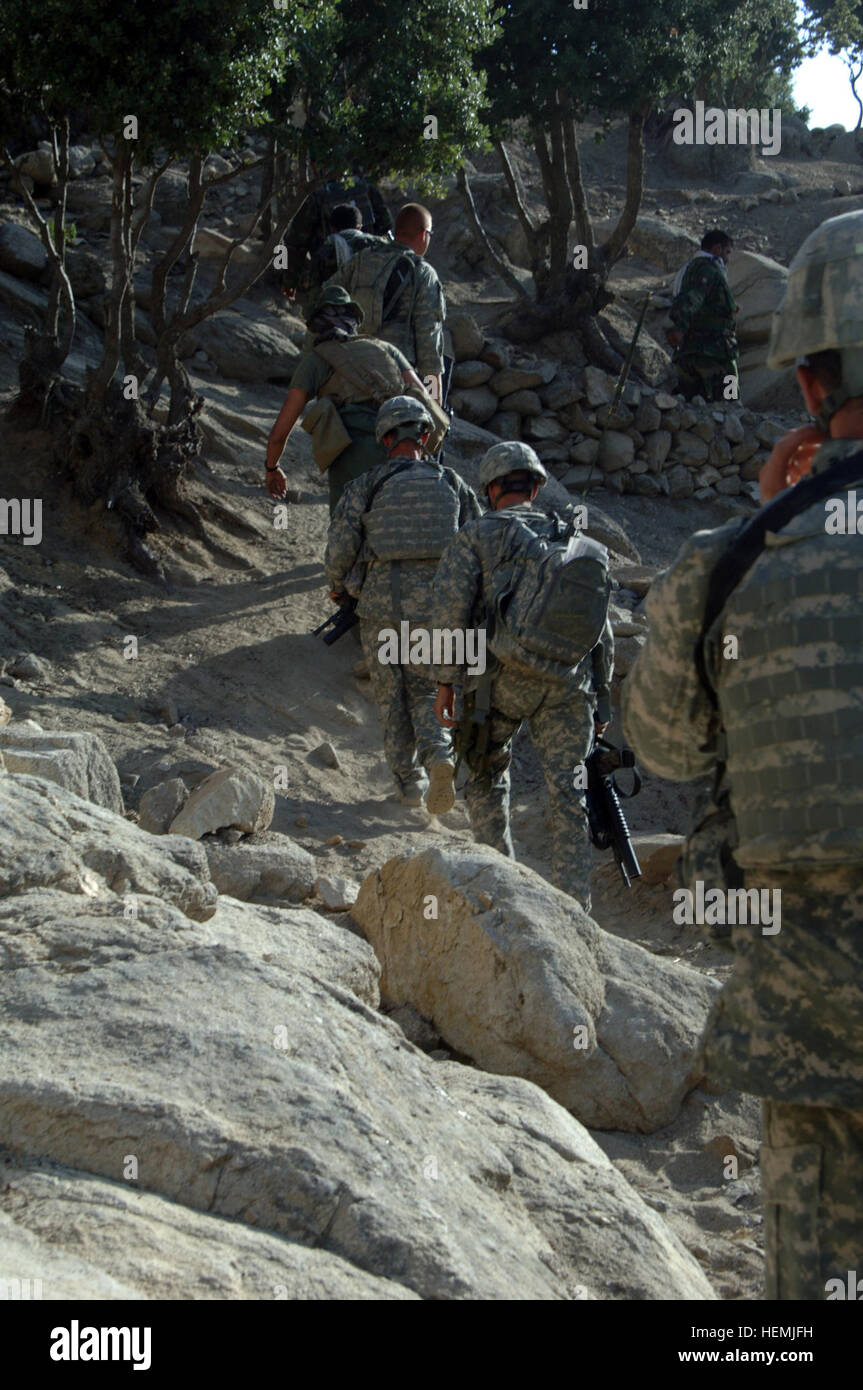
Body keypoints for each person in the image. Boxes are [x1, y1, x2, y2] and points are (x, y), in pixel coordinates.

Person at [621, 208, 863, 1301]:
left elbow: (663, 744)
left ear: (809, 385)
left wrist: (773, 523)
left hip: (809, 1013)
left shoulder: (723, 567)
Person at [430, 442, 614, 912]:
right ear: (535, 486)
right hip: (569, 686)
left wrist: (447, 682)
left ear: (490, 489)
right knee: (569, 795)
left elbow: (450, 613)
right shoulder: (570, 539)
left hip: (497, 683)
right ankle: (575, 911)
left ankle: (504, 896)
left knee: (486, 778)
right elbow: (602, 628)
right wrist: (603, 702)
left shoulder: (474, 535)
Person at [324, 397, 481, 808]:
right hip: (441, 608)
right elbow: (477, 546)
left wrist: (338, 584)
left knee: (391, 696)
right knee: (429, 691)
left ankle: (409, 784)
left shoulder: (366, 485)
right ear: (426, 436)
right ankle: (439, 756)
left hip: (383, 607)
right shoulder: (453, 484)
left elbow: (341, 546)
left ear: (384, 438)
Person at [265, 285, 428, 513]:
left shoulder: (315, 361)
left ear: (315, 325)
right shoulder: (386, 349)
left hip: (352, 459)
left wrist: (271, 467)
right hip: (402, 447)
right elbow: (422, 400)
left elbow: (278, 434)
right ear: (354, 320)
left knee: (347, 537)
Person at [325, 202, 446, 404]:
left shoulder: (362, 259)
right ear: (424, 234)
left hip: (351, 371)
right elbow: (429, 350)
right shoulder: (423, 273)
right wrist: (435, 403)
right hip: (396, 381)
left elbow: (328, 296)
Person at [280, 171, 392, 310]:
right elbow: (387, 229)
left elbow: (295, 242)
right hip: (369, 271)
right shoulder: (366, 187)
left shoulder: (316, 195)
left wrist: (289, 280)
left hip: (328, 272)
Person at [666, 229, 738, 402]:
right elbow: (692, 299)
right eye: (727, 253)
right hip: (712, 350)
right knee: (729, 400)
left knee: (694, 401)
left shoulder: (692, 268)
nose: (727, 260)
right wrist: (679, 327)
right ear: (718, 249)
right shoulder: (707, 269)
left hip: (698, 349)